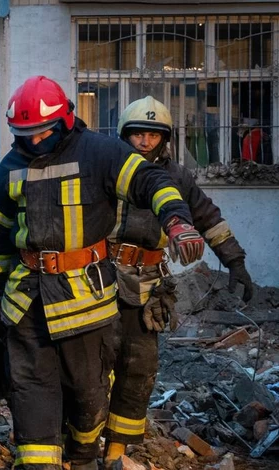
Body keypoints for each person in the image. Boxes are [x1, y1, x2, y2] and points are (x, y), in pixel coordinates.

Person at [0, 76, 205, 470]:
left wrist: (177, 222)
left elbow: (151, 180)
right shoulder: (9, 169)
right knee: (31, 389)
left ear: (66, 121)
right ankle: (39, 463)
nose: (33, 142)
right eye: (25, 134)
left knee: (88, 394)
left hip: (84, 301)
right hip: (27, 300)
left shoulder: (100, 153)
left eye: (43, 132)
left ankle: (82, 455)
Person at [103, 96, 254, 466]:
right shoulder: (106, 166)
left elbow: (209, 219)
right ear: (124, 135)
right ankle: (79, 440)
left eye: (153, 136)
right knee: (90, 362)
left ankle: (116, 451)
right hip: (101, 277)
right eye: (137, 134)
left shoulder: (178, 177)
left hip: (146, 285)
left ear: (165, 139)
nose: (144, 142)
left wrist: (236, 262)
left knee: (138, 365)